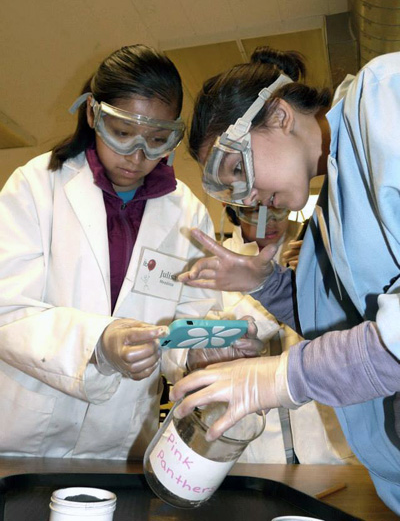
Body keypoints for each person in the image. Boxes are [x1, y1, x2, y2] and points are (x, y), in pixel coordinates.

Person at [0, 44, 262, 459]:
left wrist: (199, 349)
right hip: (20, 437)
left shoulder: (187, 212)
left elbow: (184, 323)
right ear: (92, 114)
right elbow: (7, 310)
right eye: (121, 133)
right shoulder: (34, 188)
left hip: (117, 444)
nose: (137, 156)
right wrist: (99, 342)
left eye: (158, 140)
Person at [171, 47, 400, 512]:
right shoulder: (327, 217)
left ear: (277, 116)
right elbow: (340, 334)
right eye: (230, 188)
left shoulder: (386, 98)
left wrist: (283, 376)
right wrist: (265, 284)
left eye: (237, 168)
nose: (248, 195)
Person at [223, 203, 357, 465]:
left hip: (324, 434)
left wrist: (314, 280)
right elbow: (211, 335)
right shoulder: (220, 258)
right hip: (252, 440)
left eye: (278, 210)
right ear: (233, 208)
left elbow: (348, 331)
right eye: (255, 211)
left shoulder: (317, 244)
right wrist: (276, 292)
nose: (269, 221)